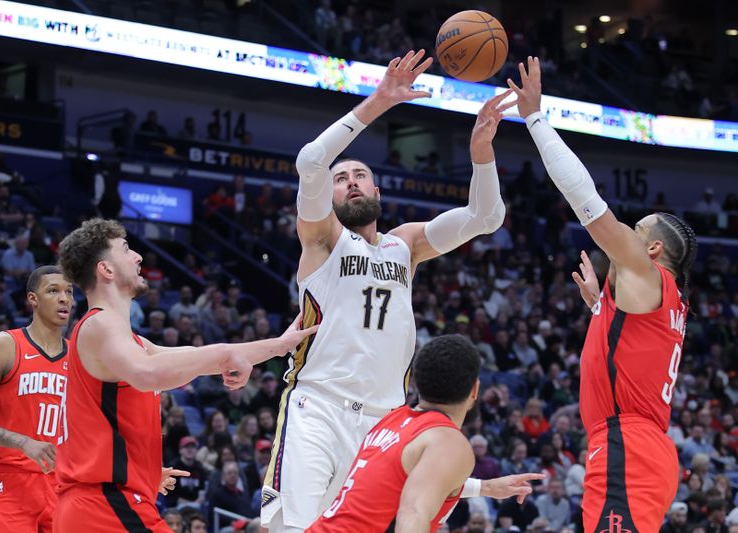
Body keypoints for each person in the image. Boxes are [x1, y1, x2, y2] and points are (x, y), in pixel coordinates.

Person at [262, 49, 514, 532]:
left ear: (378, 194)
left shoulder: (406, 245)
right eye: (342, 179)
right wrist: (378, 102)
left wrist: (482, 155)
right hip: (318, 406)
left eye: (361, 176)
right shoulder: (321, 241)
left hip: (383, 420)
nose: (351, 182)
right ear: (330, 197)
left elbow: (487, 217)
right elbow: (311, 160)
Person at [508, 56, 698, 533]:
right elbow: (637, 351)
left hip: (627, 446)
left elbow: (585, 200)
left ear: (652, 247)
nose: (626, 238)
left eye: (635, 232)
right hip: (637, 444)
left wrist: (534, 118)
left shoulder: (647, 271)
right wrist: (600, 307)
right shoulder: (664, 299)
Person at [53, 218, 316, 532]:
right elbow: (149, 375)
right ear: (106, 270)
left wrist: (278, 346)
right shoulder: (101, 324)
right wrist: (227, 356)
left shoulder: (130, 342)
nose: (138, 257)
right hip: (105, 506)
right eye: (125, 250)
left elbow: (197, 361)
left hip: (101, 505)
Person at [306, 335, 543, 533]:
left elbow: (403, 484)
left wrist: (485, 488)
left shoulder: (392, 420)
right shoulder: (448, 441)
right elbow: (412, 512)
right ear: (475, 389)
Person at [0, 266, 73, 533]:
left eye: (69, 292)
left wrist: (137, 473)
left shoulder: (79, 359)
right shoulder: (4, 346)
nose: (64, 298)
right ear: (33, 299)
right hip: (8, 484)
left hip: (61, 485)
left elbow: (94, 430)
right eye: (53, 291)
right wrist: (22, 443)